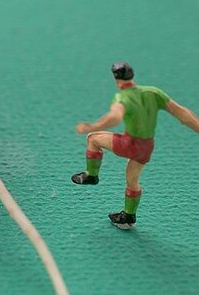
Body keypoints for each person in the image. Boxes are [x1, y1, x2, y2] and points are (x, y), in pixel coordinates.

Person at [72, 61, 199, 229]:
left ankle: (91, 175)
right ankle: (128, 216)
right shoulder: (154, 92)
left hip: (130, 143)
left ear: (116, 80)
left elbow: (115, 117)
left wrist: (92, 126)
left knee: (93, 138)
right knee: (132, 180)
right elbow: (183, 114)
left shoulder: (122, 97)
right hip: (147, 147)